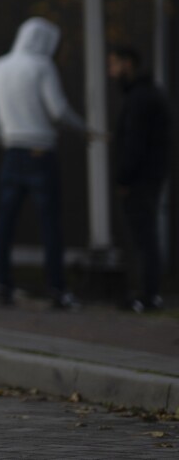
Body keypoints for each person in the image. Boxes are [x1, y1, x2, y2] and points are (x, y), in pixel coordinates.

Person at [0, 17, 100, 311]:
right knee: (49, 224)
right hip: (40, 152)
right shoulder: (41, 66)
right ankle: (57, 289)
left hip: (11, 152)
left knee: (4, 223)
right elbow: (58, 110)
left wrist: (10, 138)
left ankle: (2, 286)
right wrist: (84, 128)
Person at [107, 44, 171, 313]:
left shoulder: (139, 99)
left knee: (143, 238)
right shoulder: (147, 95)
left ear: (128, 63)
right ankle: (148, 293)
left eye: (113, 64)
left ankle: (148, 295)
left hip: (140, 180)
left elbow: (135, 143)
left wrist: (123, 178)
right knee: (145, 237)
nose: (110, 71)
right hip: (150, 176)